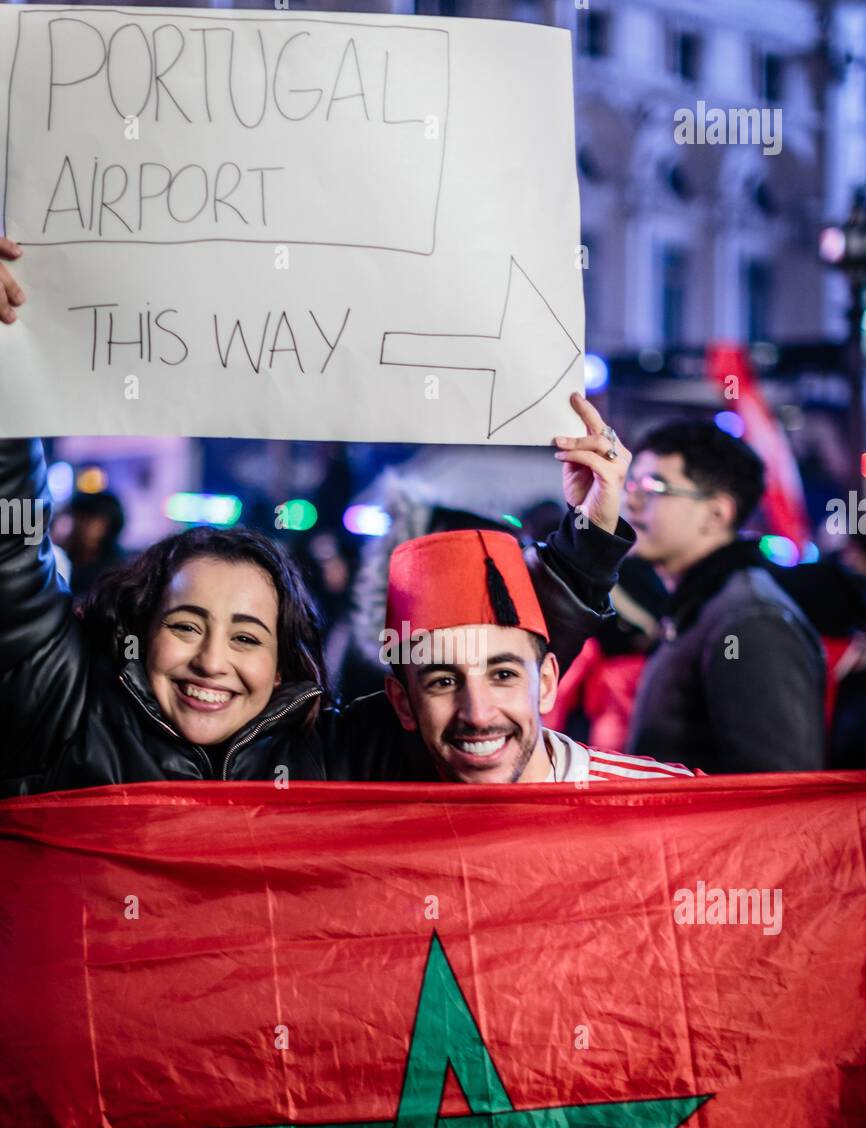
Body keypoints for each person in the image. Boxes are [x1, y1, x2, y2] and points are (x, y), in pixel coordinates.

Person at [0, 238, 636, 795]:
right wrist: (9, 370)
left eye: (248, 637)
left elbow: (488, 667)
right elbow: (12, 560)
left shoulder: (328, 758)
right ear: (139, 631)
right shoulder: (65, 709)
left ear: (281, 669)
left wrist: (589, 540)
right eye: (187, 626)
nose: (213, 662)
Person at [382, 527, 693, 784]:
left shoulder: (666, 805)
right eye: (444, 682)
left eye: (503, 675)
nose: (477, 714)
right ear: (403, 704)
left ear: (546, 683)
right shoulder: (377, 831)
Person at [622, 422, 825, 773]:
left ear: (717, 513)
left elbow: (780, 792)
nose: (631, 501)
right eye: (631, 484)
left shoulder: (752, 621)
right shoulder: (702, 605)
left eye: (654, 487)